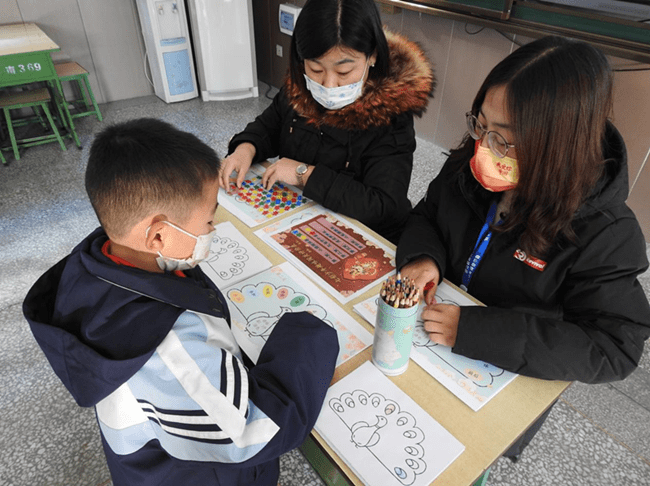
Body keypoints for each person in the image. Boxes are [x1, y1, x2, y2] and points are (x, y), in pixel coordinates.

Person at [22, 118, 339, 486]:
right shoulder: (167, 346)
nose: (212, 229)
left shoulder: (98, 260)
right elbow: (253, 433)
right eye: (207, 220)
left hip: (150, 460)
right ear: (158, 234)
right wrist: (308, 335)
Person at [397, 36, 650, 458]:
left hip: (499, 372)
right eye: (481, 125)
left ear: (559, 146)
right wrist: (424, 257)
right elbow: (426, 215)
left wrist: (478, 331)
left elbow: (613, 348)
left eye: (506, 140)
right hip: (425, 340)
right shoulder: (468, 164)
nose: (484, 148)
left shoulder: (604, 232)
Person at [219, 0, 435, 243]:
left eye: (344, 72)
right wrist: (245, 148)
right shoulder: (299, 89)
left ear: (372, 56)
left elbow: (383, 206)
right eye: (315, 69)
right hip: (299, 219)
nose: (328, 84)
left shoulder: (391, 115)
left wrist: (304, 174)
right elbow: (269, 127)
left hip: (359, 236)